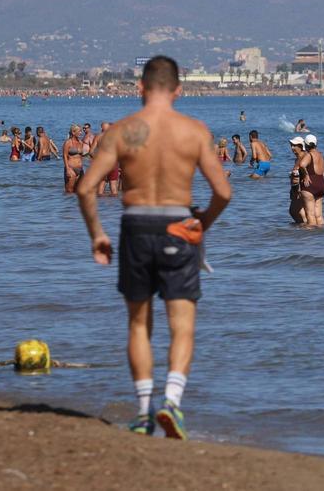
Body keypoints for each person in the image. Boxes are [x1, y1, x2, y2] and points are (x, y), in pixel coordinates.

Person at [76, 55, 232, 440]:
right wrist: (201, 224)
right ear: (179, 89)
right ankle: (172, 404)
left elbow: (85, 188)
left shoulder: (123, 130)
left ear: (140, 87)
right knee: (182, 326)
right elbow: (223, 192)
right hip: (179, 225)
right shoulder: (194, 131)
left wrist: (97, 233)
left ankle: (145, 413)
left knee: (138, 324)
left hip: (135, 224)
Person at [298, 134, 324, 227]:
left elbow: (302, 165)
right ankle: (321, 236)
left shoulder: (309, 155)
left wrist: (306, 175)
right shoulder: (321, 155)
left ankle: (311, 238)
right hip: (321, 184)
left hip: (310, 185)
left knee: (310, 215)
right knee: (319, 215)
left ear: (305, 145)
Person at [94, 121, 121, 196]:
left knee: (101, 185)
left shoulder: (98, 137)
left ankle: (102, 206)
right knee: (113, 186)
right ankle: (114, 206)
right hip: (113, 164)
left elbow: (91, 152)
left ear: (101, 128)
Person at [288, 137, 308, 223]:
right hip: (295, 188)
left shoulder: (304, 157)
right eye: (291, 145)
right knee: (293, 211)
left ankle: (305, 227)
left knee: (297, 211)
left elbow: (308, 172)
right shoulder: (297, 158)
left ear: (301, 146)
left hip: (300, 188)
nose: (292, 148)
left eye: (294, 145)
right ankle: (301, 230)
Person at [63, 124, 86, 194]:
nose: (81, 133)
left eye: (81, 131)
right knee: (69, 191)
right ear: (73, 132)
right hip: (71, 169)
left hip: (80, 170)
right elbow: (64, 156)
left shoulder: (81, 142)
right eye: (79, 131)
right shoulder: (68, 142)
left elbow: (81, 156)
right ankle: (68, 204)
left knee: (79, 192)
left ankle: (75, 205)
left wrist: (82, 167)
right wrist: (67, 169)